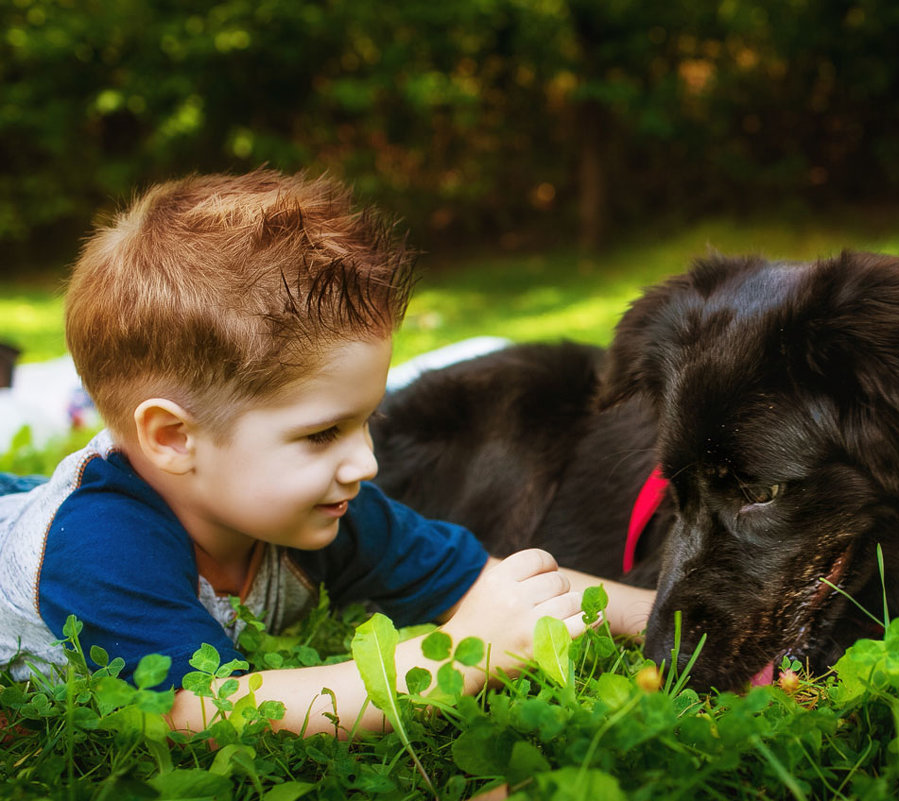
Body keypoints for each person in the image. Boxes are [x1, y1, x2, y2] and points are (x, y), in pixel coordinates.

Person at [0, 170, 655, 737]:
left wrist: (671, 619)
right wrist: (453, 657)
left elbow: (489, 580)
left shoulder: (323, 507)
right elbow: (199, 712)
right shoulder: (99, 541)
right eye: (321, 433)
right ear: (175, 438)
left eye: (365, 422)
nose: (365, 462)